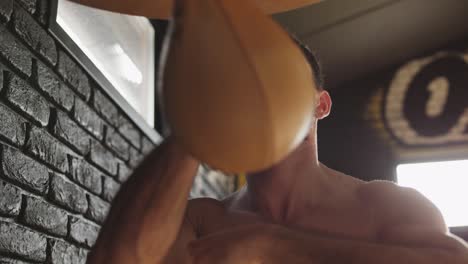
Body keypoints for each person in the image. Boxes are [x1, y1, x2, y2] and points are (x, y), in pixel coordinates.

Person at [86, 36, 468, 263]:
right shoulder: (203, 221)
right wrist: (196, 127)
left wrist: (273, 245)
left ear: (321, 105)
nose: (266, 94)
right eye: (250, 83)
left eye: (283, 79)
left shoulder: (387, 204)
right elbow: (115, 260)